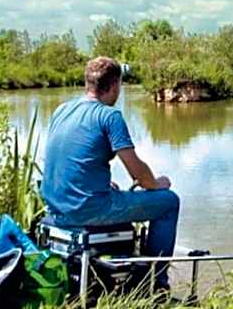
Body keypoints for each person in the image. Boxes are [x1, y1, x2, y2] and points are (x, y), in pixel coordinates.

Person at [41, 56, 179, 291]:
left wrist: (100, 183)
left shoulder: (62, 110)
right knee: (168, 201)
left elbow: (69, 159)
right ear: (115, 85)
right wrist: (156, 183)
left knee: (123, 195)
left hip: (55, 206)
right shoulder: (109, 115)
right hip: (88, 208)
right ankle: (153, 283)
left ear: (88, 83)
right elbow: (136, 171)